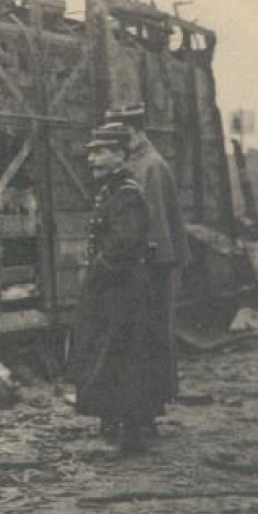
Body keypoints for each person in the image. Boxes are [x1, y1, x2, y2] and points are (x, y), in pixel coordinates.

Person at [70, 123, 168, 456]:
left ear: (120, 156)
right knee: (110, 353)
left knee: (122, 355)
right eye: (90, 153)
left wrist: (98, 271)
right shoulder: (111, 191)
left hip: (121, 288)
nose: (92, 160)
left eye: (101, 153)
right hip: (113, 288)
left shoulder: (126, 193)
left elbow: (124, 243)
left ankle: (128, 434)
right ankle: (116, 425)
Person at [107, 103, 188, 420]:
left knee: (149, 336)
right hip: (148, 263)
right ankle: (140, 409)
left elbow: (152, 224)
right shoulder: (137, 162)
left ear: (134, 130)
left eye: (120, 130)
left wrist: (140, 264)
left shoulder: (149, 166)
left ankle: (147, 411)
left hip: (152, 265)